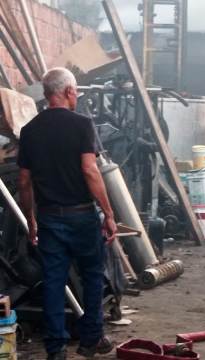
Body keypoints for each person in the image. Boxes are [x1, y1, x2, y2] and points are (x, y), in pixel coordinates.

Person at [17, 68, 117, 360]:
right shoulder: (82, 125)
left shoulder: (30, 130)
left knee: (53, 281)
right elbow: (90, 170)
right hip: (82, 216)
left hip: (49, 218)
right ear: (69, 92)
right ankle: (89, 341)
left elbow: (24, 181)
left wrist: (31, 220)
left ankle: (55, 349)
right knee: (93, 277)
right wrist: (108, 213)